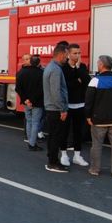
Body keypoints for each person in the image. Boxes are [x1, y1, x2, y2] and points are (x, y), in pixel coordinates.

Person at [85, 55, 112, 178]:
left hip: (99, 120)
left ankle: (95, 169)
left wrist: (88, 116)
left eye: (98, 62)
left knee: (97, 145)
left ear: (102, 65)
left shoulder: (95, 80)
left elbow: (89, 101)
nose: (97, 64)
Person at [60, 43, 91, 167]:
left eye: (79, 53)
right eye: (75, 53)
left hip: (80, 104)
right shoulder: (63, 67)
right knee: (65, 131)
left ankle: (77, 156)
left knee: (79, 131)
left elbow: (87, 82)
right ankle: (63, 155)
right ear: (68, 54)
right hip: (67, 104)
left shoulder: (82, 66)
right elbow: (66, 85)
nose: (77, 55)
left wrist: (78, 69)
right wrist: (77, 80)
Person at [43, 44, 70, 173]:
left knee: (53, 136)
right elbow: (56, 92)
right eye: (66, 55)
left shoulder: (51, 67)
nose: (67, 57)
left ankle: (52, 160)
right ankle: (53, 163)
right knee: (55, 137)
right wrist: (63, 109)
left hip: (52, 108)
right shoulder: (55, 70)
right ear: (60, 54)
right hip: (55, 109)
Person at [16, 54, 44, 151]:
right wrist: (32, 100)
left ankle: (29, 140)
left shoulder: (21, 72)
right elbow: (41, 90)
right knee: (36, 122)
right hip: (37, 102)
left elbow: (18, 88)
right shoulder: (41, 73)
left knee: (29, 121)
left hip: (26, 103)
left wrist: (26, 100)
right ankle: (32, 144)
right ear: (38, 63)